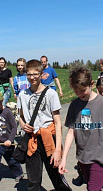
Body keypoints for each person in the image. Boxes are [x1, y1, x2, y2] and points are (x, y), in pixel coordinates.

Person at [58, 66, 103, 191]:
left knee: (93, 189)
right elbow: (71, 132)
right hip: (82, 156)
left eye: (83, 90)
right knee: (90, 185)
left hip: (99, 155)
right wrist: (64, 158)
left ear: (91, 84)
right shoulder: (74, 105)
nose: (79, 94)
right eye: (76, 91)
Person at [17, 59, 71, 191]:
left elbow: (58, 123)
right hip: (32, 139)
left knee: (57, 178)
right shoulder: (22, 95)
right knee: (33, 182)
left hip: (48, 138)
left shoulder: (51, 94)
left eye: (35, 74)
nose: (32, 77)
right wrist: (23, 124)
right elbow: (20, 116)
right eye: (29, 74)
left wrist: (58, 150)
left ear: (42, 74)